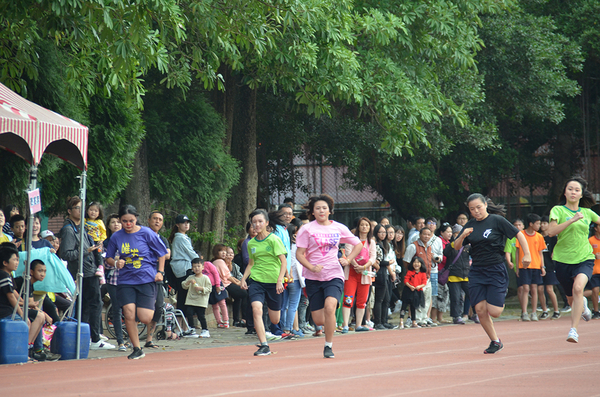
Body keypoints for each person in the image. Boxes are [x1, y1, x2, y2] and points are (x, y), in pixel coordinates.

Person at [454, 193, 531, 354]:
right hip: (476, 270)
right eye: (472, 209)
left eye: (479, 207)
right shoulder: (470, 225)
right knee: (480, 310)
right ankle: (495, 341)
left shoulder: (497, 220)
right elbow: (456, 246)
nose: (476, 211)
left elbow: (519, 235)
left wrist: (527, 254)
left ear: (486, 205)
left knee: (495, 312)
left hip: (495, 268)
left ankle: (497, 297)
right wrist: (463, 235)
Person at [295, 194, 363, 358]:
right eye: (317, 208)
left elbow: (358, 244)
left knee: (330, 307)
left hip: (334, 274)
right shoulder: (307, 229)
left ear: (330, 211)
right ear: (313, 211)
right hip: (313, 277)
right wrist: (311, 267)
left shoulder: (338, 228)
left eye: (324, 208)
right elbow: (299, 254)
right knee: (319, 319)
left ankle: (328, 345)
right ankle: (329, 321)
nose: (321, 210)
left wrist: (348, 259)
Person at [105, 205, 168, 359]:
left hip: (146, 278)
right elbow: (108, 258)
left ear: (136, 219)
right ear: (120, 220)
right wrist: (116, 263)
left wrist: (160, 272)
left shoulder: (146, 233)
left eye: (131, 221)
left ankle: (144, 311)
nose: (128, 224)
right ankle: (137, 348)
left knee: (145, 317)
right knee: (128, 313)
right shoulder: (116, 237)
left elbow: (162, 253)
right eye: (124, 221)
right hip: (125, 280)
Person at [547, 177, 599, 343]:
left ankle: (573, 330)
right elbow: (551, 232)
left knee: (578, 288)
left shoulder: (588, 213)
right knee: (571, 298)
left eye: (577, 190)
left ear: (581, 194)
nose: (573, 192)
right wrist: (571, 220)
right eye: (570, 189)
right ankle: (582, 304)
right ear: (565, 192)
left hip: (585, 258)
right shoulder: (558, 210)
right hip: (563, 260)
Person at [58, 196, 113, 350]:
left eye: (82, 208)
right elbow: (66, 254)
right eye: (77, 208)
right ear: (69, 211)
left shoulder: (82, 227)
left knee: (91, 304)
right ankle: (93, 338)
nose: (81, 211)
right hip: (82, 272)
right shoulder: (69, 229)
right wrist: (85, 251)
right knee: (92, 304)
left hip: (90, 270)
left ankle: (88, 337)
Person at [240, 209, 287, 356]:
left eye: (260, 221)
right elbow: (251, 264)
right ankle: (264, 345)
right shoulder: (251, 243)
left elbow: (283, 261)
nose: (257, 224)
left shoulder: (274, 239)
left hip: (274, 282)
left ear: (266, 223)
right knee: (256, 309)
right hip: (256, 281)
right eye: (254, 222)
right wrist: (243, 278)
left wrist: (280, 280)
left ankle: (273, 330)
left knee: (275, 319)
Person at [0, 243, 51, 361]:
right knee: (33, 318)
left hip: (10, 309)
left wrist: (28, 305)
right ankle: (23, 351)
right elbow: (11, 297)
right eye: (14, 260)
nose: (17, 262)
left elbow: (16, 296)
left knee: (39, 315)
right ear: (5, 262)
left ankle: (28, 349)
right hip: (5, 311)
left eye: (18, 260)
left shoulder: (8, 276)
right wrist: (22, 314)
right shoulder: (3, 275)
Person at [342, 217, 376, 333]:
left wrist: (364, 267)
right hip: (351, 273)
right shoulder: (351, 240)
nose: (364, 227)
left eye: (367, 225)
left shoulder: (371, 242)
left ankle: (358, 324)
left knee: (362, 301)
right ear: (358, 226)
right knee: (348, 299)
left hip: (364, 274)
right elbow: (348, 253)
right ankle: (345, 325)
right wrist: (356, 265)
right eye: (362, 225)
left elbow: (373, 257)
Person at [144, 211, 171, 349]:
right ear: (148, 220)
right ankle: (132, 339)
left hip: (158, 277)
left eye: (160, 219)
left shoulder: (163, 239)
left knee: (159, 307)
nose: (157, 221)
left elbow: (167, 255)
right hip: (142, 277)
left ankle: (149, 339)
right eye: (154, 218)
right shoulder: (142, 236)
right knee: (141, 308)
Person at [103, 214, 129, 352]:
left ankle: (131, 338)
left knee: (131, 310)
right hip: (113, 279)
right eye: (113, 222)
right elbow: (105, 262)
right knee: (117, 310)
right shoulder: (107, 243)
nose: (116, 224)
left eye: (119, 222)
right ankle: (120, 341)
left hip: (130, 279)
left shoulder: (129, 239)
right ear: (108, 225)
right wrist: (115, 261)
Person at [168, 214, 199, 329]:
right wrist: (199, 262)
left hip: (183, 268)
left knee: (184, 297)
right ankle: (180, 326)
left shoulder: (182, 237)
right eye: (183, 223)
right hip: (183, 269)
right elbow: (191, 253)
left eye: (188, 222)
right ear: (177, 225)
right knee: (184, 297)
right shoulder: (180, 238)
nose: (186, 225)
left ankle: (182, 326)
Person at [515, 213, 546, 322]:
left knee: (534, 289)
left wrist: (542, 266)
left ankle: (533, 312)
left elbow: (540, 252)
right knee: (525, 288)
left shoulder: (539, 236)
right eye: (537, 223)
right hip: (524, 266)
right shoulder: (521, 235)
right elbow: (517, 252)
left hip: (536, 266)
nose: (539, 226)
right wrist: (517, 267)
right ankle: (524, 312)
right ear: (530, 224)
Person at [403, 227, 435, 327]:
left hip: (427, 277)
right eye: (424, 234)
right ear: (420, 235)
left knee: (426, 299)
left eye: (428, 234)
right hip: (416, 279)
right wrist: (413, 274)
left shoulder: (429, 246)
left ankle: (424, 319)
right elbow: (406, 261)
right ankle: (416, 319)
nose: (426, 236)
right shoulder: (413, 246)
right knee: (417, 299)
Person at [445, 224, 471, 324]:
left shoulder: (468, 245)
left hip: (466, 274)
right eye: (456, 233)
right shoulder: (450, 245)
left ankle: (474, 314)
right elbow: (445, 253)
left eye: (460, 233)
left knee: (472, 294)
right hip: (454, 275)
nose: (458, 235)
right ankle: (456, 316)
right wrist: (454, 243)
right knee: (456, 297)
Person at [182, 258, 212, 338]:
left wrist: (201, 289)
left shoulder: (205, 278)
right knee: (189, 313)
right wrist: (188, 282)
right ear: (192, 268)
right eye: (194, 266)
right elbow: (184, 285)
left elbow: (209, 289)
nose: (196, 268)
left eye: (198, 266)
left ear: (202, 267)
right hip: (190, 300)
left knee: (200, 316)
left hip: (201, 301)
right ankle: (191, 329)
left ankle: (205, 330)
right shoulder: (191, 277)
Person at [539, 216, 561, 320]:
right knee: (540, 289)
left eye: (545, 223)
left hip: (550, 266)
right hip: (539, 265)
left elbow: (556, 250)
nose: (542, 225)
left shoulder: (553, 238)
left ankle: (556, 310)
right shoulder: (538, 237)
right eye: (541, 223)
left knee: (549, 289)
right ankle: (545, 310)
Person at [372, 224, 392, 329]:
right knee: (379, 299)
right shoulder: (376, 244)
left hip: (385, 274)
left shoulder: (385, 245)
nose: (383, 234)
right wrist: (388, 262)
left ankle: (384, 321)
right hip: (379, 274)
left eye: (384, 232)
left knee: (386, 299)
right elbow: (376, 261)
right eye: (380, 232)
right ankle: (378, 322)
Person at [400, 257, 427, 328]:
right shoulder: (410, 272)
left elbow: (424, 282)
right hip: (408, 291)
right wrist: (410, 286)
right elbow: (406, 280)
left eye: (418, 262)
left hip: (417, 292)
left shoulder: (423, 273)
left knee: (413, 307)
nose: (416, 264)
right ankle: (401, 321)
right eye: (415, 262)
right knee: (404, 306)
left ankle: (414, 321)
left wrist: (419, 286)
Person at [210, 244, 232, 328]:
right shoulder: (219, 261)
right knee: (222, 303)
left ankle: (219, 322)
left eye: (225, 251)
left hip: (214, 285)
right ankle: (225, 321)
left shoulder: (214, 262)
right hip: (218, 284)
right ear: (216, 252)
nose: (224, 253)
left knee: (215, 305)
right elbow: (227, 275)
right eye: (221, 251)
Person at [85, 202, 107, 278]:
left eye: (96, 211)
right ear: (87, 211)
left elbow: (104, 232)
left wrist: (101, 240)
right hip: (87, 241)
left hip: (97, 241)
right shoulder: (84, 220)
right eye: (91, 210)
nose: (93, 212)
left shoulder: (100, 222)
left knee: (98, 254)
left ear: (99, 213)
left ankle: (100, 268)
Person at [586, 223, 600, 319]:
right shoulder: (590, 240)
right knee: (595, 290)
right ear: (595, 228)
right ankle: (595, 311)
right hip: (594, 270)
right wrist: (594, 256)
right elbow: (586, 254)